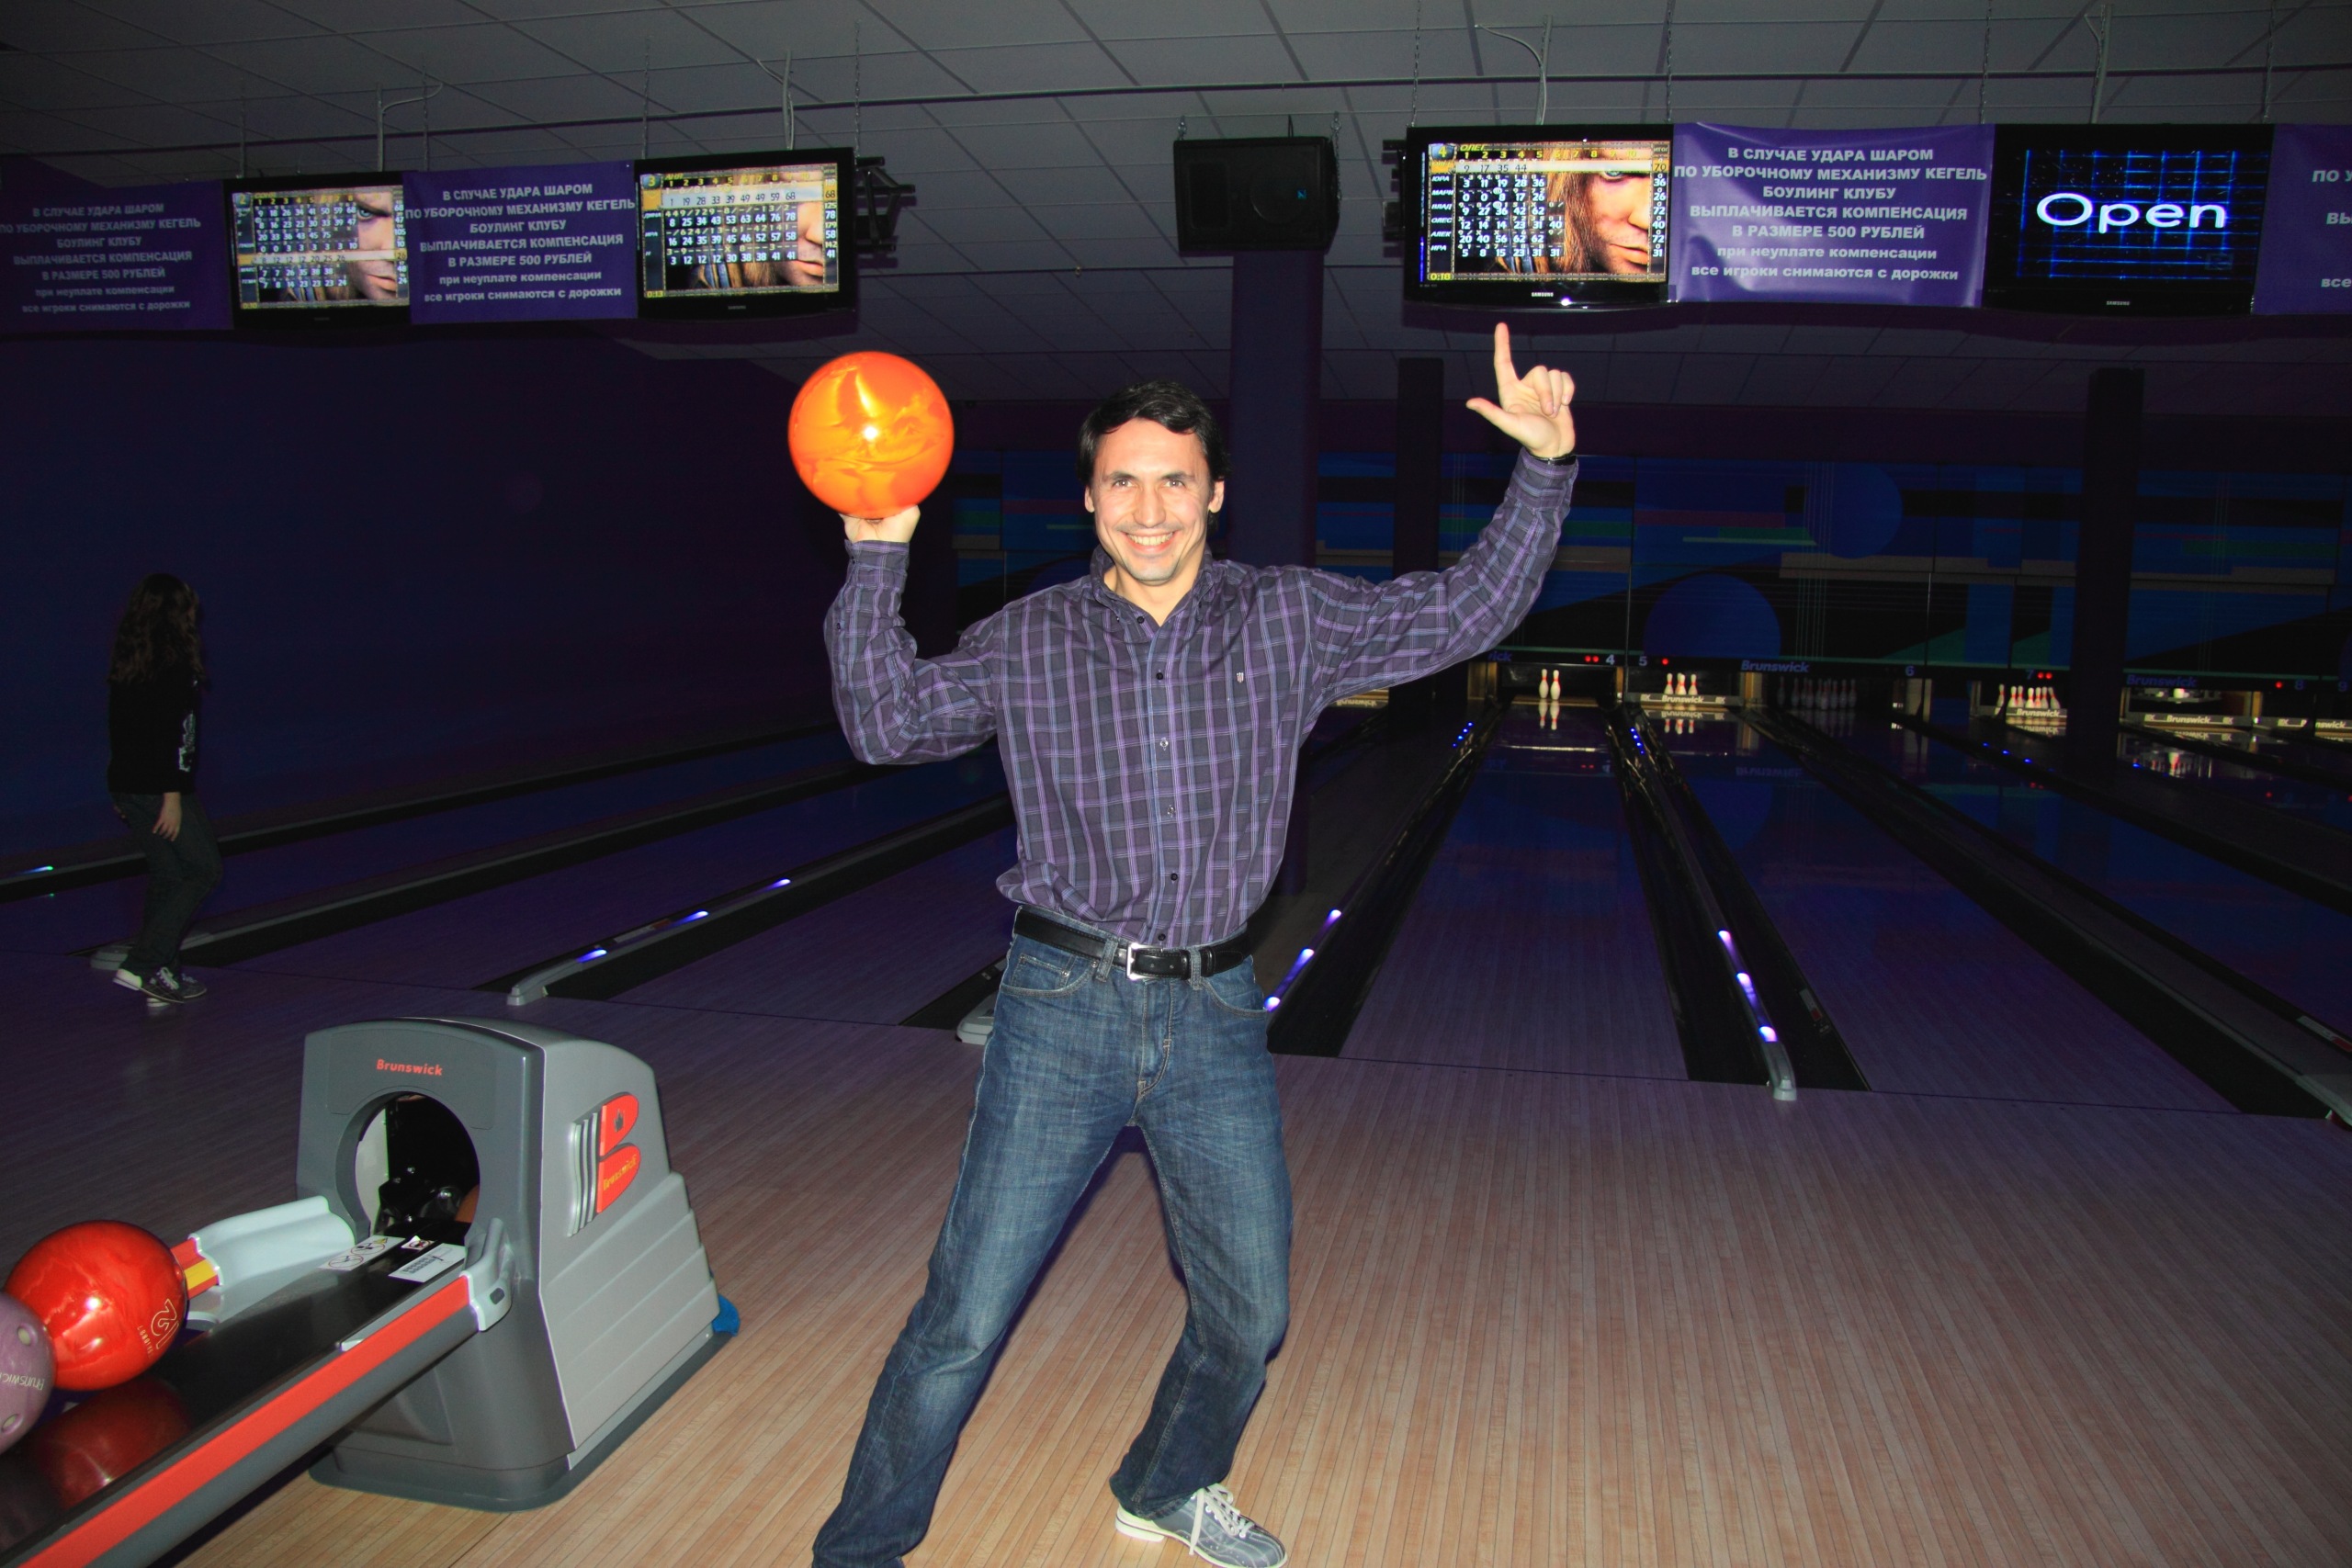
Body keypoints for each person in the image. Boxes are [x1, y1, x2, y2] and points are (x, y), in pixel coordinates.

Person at [813, 324, 1578, 1568]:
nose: (1149, 508)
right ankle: (858, 1549)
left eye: (1174, 479)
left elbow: (1463, 610)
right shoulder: (1029, 637)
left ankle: (1167, 1481)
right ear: (1089, 497)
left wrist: (1542, 470)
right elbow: (886, 724)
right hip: (1060, 1003)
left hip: (1215, 1006)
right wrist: (875, 553)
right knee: (963, 1315)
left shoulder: (1290, 615)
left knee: (1249, 1308)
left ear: (1215, 491)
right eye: (1122, 481)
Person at [106, 572, 220, 1005]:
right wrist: (172, 797)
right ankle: (142, 964)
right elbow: (177, 735)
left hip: (129, 786)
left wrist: (120, 790)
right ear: (177, 613)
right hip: (162, 789)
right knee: (204, 870)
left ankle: (163, 975)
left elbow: (119, 730)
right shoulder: (176, 665)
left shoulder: (130, 660)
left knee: (169, 875)